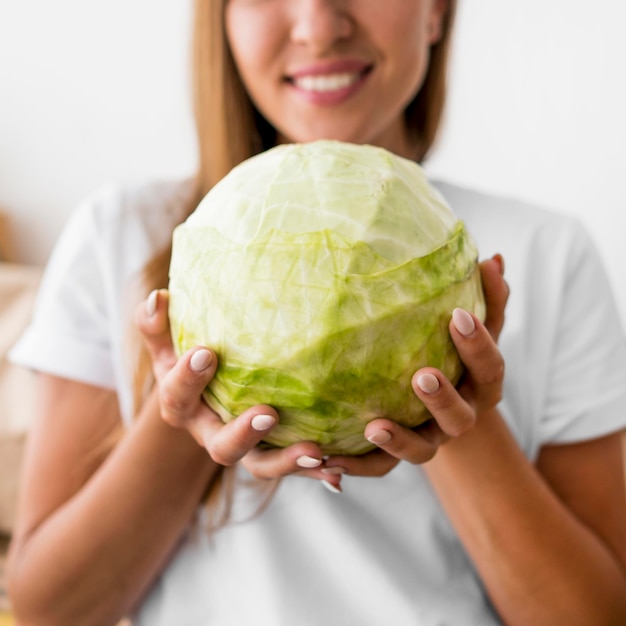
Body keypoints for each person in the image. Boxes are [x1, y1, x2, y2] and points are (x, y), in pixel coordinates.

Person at [6, 1, 626, 624]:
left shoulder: (548, 253)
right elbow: (47, 611)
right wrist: (183, 411)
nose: (319, 25)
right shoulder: (119, 236)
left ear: (436, 11)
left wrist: (459, 410)